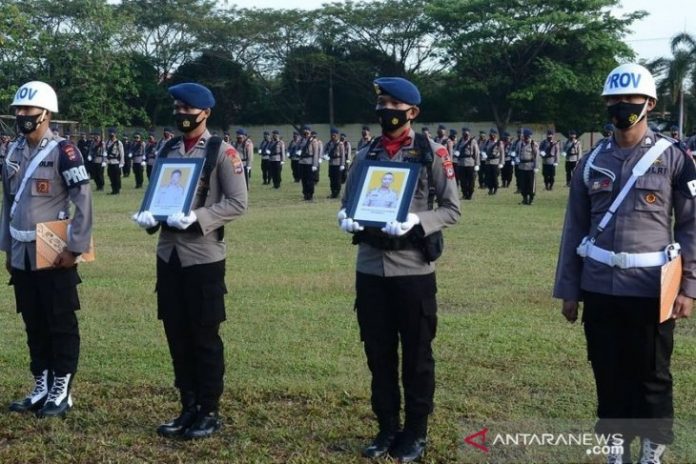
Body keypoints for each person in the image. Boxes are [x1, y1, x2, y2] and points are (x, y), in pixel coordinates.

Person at [554, 63, 696, 464]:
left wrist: (690, 287)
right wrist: (569, 290)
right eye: (614, 100)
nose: (622, 107)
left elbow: (691, 226)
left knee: (652, 374)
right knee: (607, 370)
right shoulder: (590, 161)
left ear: (649, 103)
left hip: (653, 289)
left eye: (630, 99)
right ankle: (615, 443)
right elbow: (574, 229)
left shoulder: (674, 158)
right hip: (599, 285)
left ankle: (652, 447)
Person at [338, 77, 460, 462]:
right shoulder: (366, 153)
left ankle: (416, 433)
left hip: (413, 269)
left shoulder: (431, 152)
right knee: (378, 353)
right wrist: (346, 216)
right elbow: (348, 199)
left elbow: (451, 209)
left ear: (412, 112)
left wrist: (416, 221)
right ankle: (386, 427)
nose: (385, 110)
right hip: (371, 266)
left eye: (394, 104)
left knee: (417, 355)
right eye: (382, 103)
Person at [133, 82, 247, 440]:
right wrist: (148, 214)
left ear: (206, 113)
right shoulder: (167, 148)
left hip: (203, 256)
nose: (182, 114)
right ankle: (188, 406)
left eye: (188, 109)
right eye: (178, 108)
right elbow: (157, 193)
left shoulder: (222, 152)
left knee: (204, 334)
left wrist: (198, 218)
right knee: (176, 333)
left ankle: (209, 410)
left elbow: (237, 202)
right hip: (169, 254)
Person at [0, 81, 92, 418]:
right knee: (33, 321)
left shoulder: (64, 152)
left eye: (28, 110)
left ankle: (61, 390)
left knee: (60, 322)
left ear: (46, 113)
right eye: (18, 110)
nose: (22, 115)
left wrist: (76, 247)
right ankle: (41, 385)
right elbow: (8, 203)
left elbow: (83, 200)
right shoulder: (11, 151)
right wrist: (7, 248)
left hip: (54, 252)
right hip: (22, 252)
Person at [454, 127, 480, 199]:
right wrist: (455, 153)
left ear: (469, 133)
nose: (465, 134)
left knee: (471, 180)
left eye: (466, 133)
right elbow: (455, 150)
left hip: (470, 163)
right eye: (464, 133)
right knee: (463, 181)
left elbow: (477, 153)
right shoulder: (459, 141)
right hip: (461, 163)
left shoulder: (473, 141)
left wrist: (477, 164)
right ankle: (464, 194)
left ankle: (470, 194)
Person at [516, 128, 538, 205]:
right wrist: (516, 159)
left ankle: (531, 199)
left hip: (530, 167)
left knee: (531, 184)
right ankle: (524, 199)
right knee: (523, 184)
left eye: (528, 137)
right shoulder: (520, 144)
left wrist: (536, 167)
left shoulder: (533, 144)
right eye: (526, 137)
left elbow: (536, 156)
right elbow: (517, 153)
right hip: (522, 166)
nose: (527, 138)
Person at [298, 125, 319, 201]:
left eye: (307, 130)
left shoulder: (313, 141)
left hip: (310, 162)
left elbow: (316, 153)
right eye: (305, 130)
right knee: (303, 179)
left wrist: (315, 164)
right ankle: (305, 194)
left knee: (310, 180)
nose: (306, 132)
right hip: (302, 162)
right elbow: (298, 148)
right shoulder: (301, 140)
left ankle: (310, 195)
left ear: (310, 132)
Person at [325, 128, 346, 198]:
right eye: (332, 135)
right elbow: (326, 151)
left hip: (338, 163)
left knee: (337, 179)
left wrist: (342, 164)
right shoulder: (329, 143)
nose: (333, 137)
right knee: (332, 178)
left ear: (337, 135)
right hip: (331, 163)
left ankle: (337, 193)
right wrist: (325, 156)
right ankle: (333, 192)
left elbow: (343, 155)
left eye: (334, 135)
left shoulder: (340, 144)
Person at [105, 128, 124, 195]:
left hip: (116, 162)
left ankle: (117, 190)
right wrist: (105, 161)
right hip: (110, 162)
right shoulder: (107, 142)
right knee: (111, 177)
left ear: (115, 134)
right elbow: (105, 152)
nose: (111, 135)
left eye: (112, 134)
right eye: (110, 134)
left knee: (117, 177)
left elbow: (122, 153)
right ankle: (113, 190)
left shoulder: (119, 143)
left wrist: (121, 163)